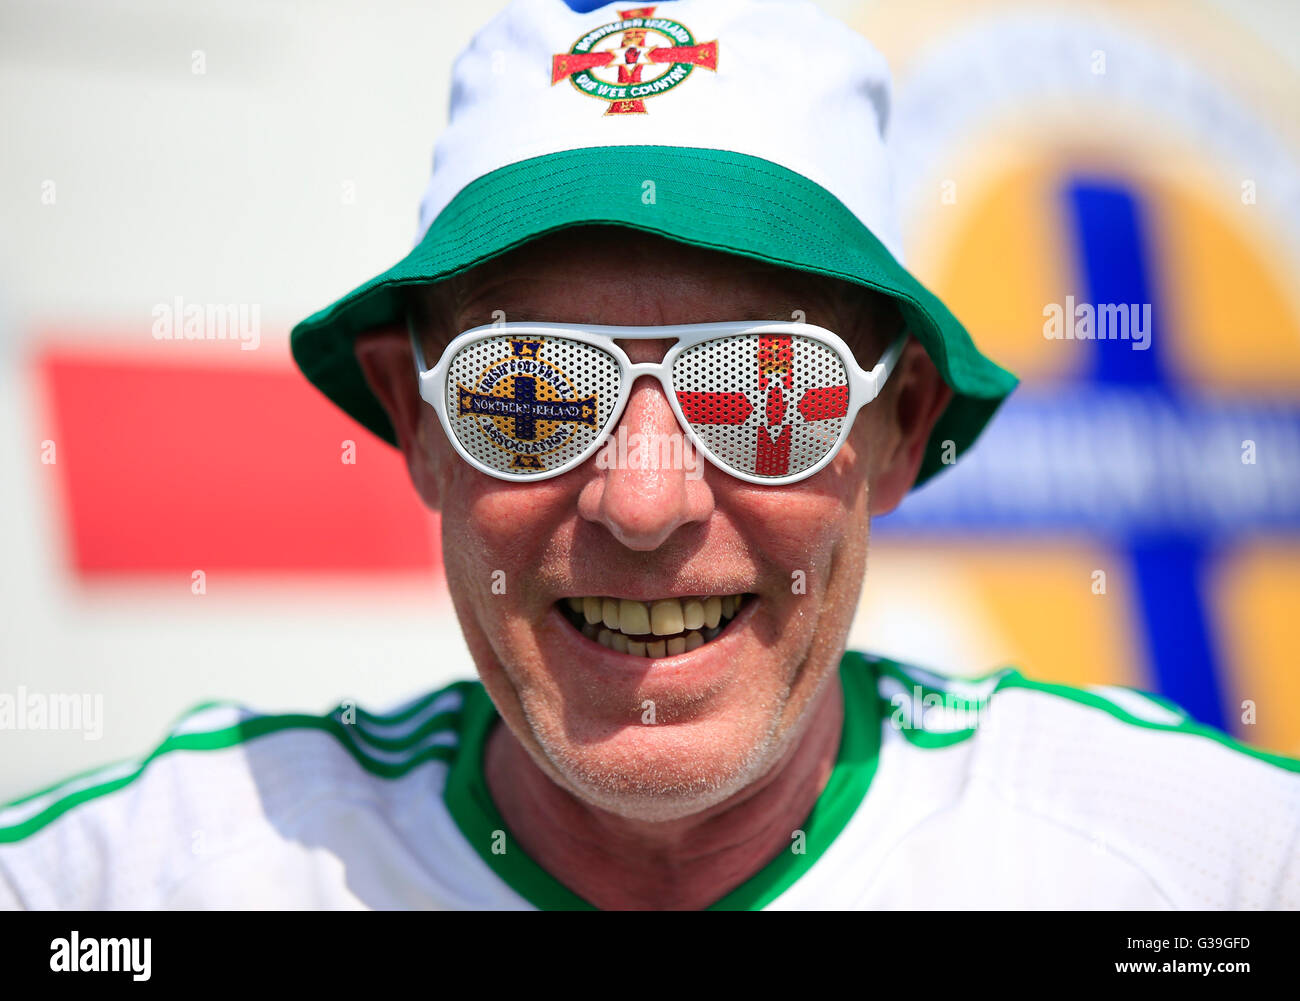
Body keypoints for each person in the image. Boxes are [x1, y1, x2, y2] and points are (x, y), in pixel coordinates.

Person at [2, 0, 1296, 910]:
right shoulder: (136, 886)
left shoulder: (1211, 867)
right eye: (529, 390)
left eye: (763, 388)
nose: (643, 499)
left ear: (895, 429)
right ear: (420, 426)